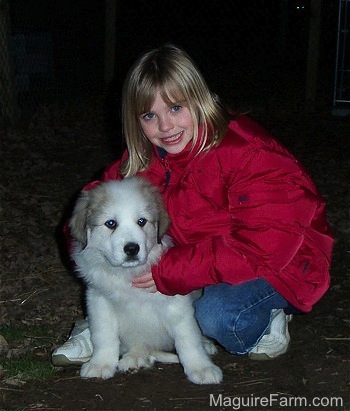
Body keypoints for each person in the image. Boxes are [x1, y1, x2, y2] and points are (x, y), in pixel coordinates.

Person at [52, 44, 333, 366]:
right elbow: (90, 209)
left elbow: (265, 247)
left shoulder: (253, 156)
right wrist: (95, 254)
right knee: (138, 272)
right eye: (149, 115)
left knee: (218, 317)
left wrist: (170, 271)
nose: (165, 126)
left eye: (175, 108)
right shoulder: (145, 160)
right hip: (205, 261)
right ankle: (108, 330)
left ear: (201, 99)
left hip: (282, 265)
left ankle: (268, 315)